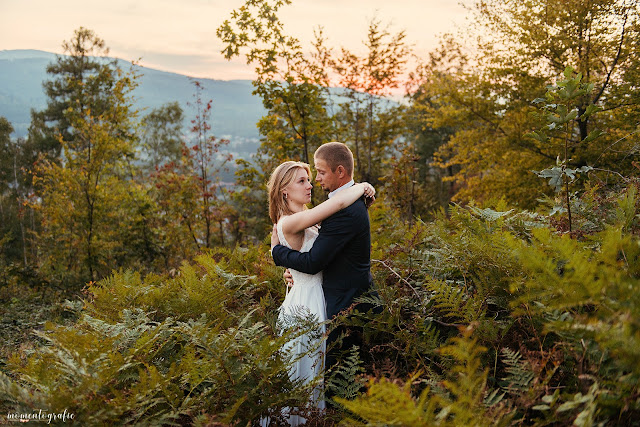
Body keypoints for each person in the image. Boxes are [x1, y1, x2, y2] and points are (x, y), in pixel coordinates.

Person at [267, 158, 375, 424]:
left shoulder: (305, 218)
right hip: (305, 306)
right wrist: (360, 186)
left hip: (316, 298)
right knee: (301, 376)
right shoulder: (290, 221)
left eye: (310, 179)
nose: (310, 184)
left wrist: (287, 265)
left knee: (314, 375)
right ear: (284, 190)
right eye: (302, 181)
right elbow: (338, 203)